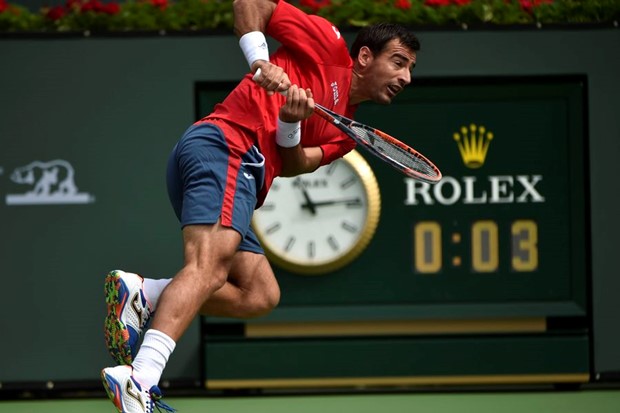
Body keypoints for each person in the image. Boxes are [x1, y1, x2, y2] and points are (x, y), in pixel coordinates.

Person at [101, 0, 420, 411]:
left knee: (259, 294)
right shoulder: (327, 44)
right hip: (228, 146)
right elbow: (251, 4)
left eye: (410, 68)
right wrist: (260, 61)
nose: (406, 76)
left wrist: (290, 123)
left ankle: (145, 293)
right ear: (364, 56)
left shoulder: (346, 134)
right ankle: (139, 379)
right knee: (209, 267)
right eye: (398, 62)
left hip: (243, 171)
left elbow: (293, 164)